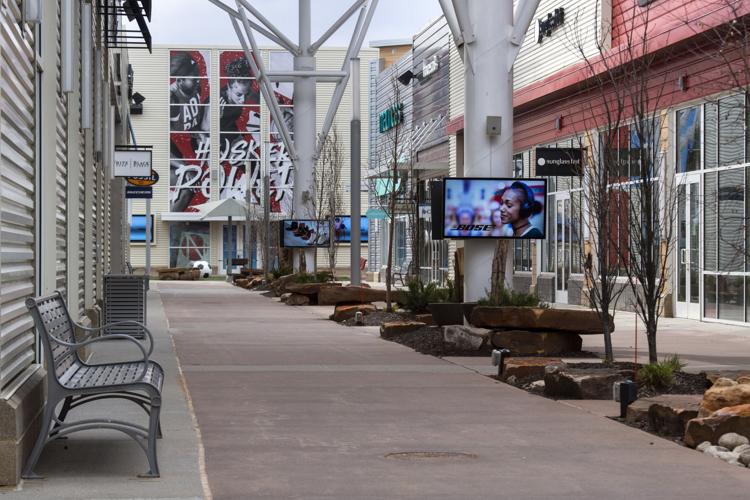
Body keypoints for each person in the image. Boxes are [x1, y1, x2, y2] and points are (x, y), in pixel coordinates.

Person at [169, 52, 209, 132]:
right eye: (193, 79)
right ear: (180, 80)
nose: (198, 81)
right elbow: (173, 132)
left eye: (197, 76)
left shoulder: (195, 88)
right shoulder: (173, 100)